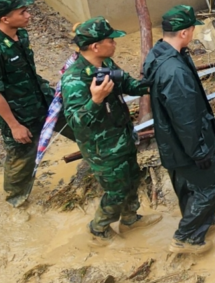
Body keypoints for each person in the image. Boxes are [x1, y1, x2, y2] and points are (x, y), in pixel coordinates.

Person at [61, 17, 161, 243]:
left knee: (133, 178)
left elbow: (128, 84)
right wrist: (95, 100)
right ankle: (98, 230)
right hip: (101, 148)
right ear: (95, 46)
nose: (115, 44)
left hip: (122, 136)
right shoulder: (74, 79)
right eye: (111, 41)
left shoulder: (105, 64)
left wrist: (156, 81)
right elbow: (76, 122)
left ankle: (130, 219)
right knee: (116, 191)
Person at [143, 6, 215, 255]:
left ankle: (204, 222)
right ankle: (186, 238)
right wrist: (199, 151)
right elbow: (186, 118)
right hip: (186, 144)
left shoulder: (160, 53)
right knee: (210, 185)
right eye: (192, 30)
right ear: (184, 32)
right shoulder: (175, 71)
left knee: (186, 186)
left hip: (171, 142)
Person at [0, 0, 57, 208]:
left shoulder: (21, 35)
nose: (28, 15)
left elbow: (29, 72)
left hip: (41, 102)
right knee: (21, 160)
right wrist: (14, 126)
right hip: (20, 116)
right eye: (22, 12)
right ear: (5, 18)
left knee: (77, 126)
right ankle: (16, 203)